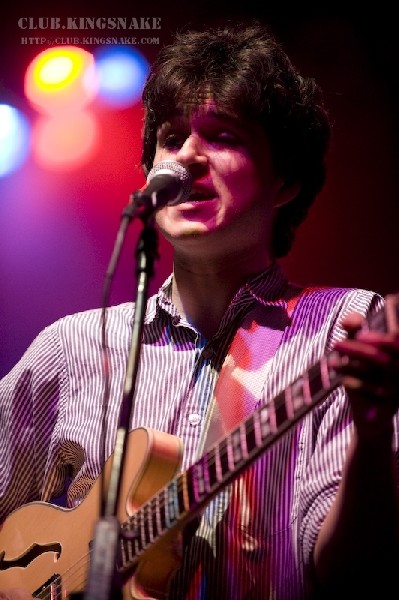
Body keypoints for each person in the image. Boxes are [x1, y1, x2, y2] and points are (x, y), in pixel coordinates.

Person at [0, 18, 398, 600]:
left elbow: (349, 572)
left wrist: (369, 433)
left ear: (285, 180)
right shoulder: (71, 347)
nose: (187, 157)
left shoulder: (342, 330)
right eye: (171, 136)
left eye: (225, 137)